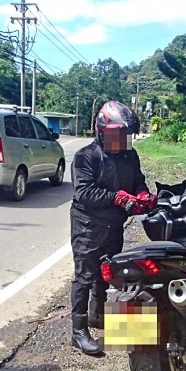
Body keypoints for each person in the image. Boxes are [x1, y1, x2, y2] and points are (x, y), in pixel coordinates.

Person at [69, 100, 156, 356]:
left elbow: (138, 181)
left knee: (107, 270)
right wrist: (118, 198)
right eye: (115, 135)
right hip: (88, 225)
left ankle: (99, 316)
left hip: (115, 223)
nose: (120, 140)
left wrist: (142, 195)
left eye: (125, 135)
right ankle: (78, 331)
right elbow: (83, 192)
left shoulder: (130, 155)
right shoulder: (86, 156)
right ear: (101, 131)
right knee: (84, 276)